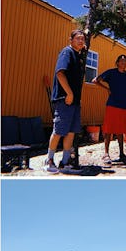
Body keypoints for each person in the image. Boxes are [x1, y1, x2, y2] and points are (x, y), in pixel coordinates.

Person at [44, 30, 86, 173]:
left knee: (71, 131)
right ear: (71, 40)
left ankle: (65, 163)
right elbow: (60, 73)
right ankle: (49, 160)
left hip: (74, 101)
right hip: (64, 99)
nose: (81, 41)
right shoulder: (66, 52)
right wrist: (69, 93)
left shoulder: (78, 56)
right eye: (78, 38)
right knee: (59, 130)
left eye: (83, 39)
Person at [94, 54, 126, 164]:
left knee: (121, 130)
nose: (123, 63)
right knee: (108, 130)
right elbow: (95, 80)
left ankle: (121, 154)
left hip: (123, 105)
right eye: (121, 61)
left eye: (125, 61)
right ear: (117, 63)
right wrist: (107, 89)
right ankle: (106, 154)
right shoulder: (111, 72)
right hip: (112, 105)